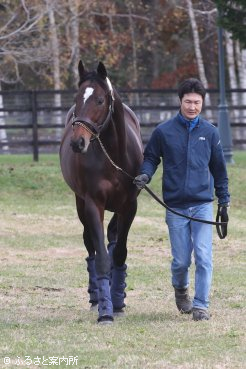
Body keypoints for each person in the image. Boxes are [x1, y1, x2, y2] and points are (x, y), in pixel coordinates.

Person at [134, 78, 230, 321]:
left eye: (197, 102)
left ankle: (201, 306)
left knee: (204, 256)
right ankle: (180, 290)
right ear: (180, 101)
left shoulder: (210, 133)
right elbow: (151, 158)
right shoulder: (163, 132)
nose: (192, 107)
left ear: (203, 103)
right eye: (188, 101)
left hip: (202, 205)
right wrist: (145, 174)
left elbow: (219, 170)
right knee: (181, 261)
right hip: (175, 206)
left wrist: (224, 201)